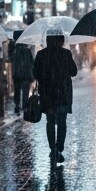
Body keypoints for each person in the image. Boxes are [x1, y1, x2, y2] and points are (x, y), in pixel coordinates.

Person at [33, 32, 77, 165]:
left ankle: (52, 148)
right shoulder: (66, 54)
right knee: (62, 121)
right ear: (61, 40)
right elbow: (73, 72)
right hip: (63, 93)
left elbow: (35, 73)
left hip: (48, 93)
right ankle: (59, 147)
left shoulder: (41, 54)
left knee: (50, 121)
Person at [8, 31, 35, 115]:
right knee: (25, 92)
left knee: (17, 90)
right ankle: (24, 106)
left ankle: (17, 105)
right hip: (26, 75)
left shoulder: (14, 50)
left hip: (17, 74)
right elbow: (32, 62)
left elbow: (10, 58)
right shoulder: (27, 50)